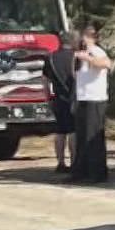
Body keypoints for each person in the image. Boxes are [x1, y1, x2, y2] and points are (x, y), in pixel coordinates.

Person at [70, 24, 114, 184]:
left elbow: (106, 64)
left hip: (95, 99)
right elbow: (75, 75)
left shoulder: (97, 51)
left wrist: (88, 58)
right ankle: (81, 171)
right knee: (81, 136)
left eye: (86, 37)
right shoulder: (77, 56)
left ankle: (97, 172)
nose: (83, 40)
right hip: (83, 98)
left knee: (92, 137)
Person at [43, 30, 77, 175]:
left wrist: (48, 98)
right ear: (73, 41)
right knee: (73, 132)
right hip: (74, 98)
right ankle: (74, 162)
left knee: (60, 132)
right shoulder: (76, 57)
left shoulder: (50, 58)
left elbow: (45, 80)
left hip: (57, 98)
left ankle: (61, 162)